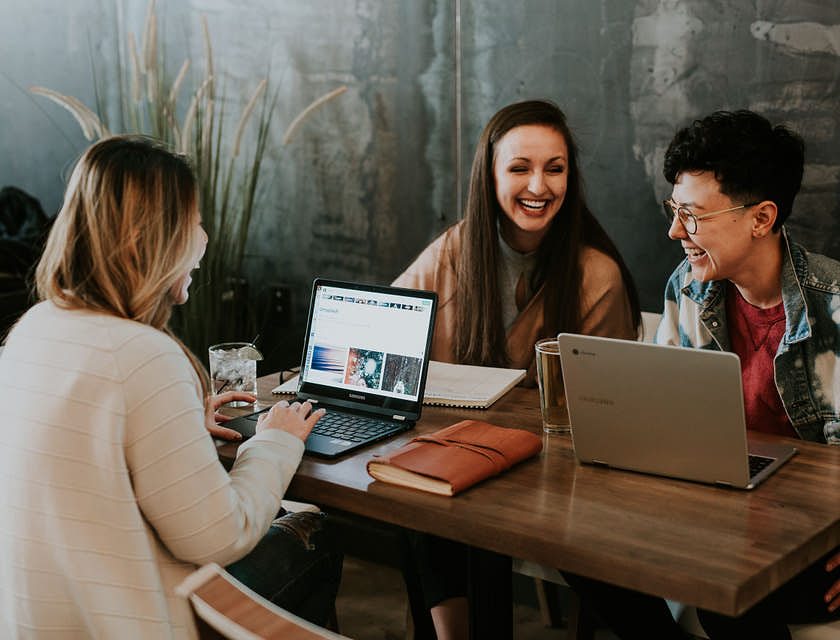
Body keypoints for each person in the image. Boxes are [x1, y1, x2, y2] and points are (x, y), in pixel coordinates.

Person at [0, 136, 341, 639]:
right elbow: (218, 537)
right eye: (194, 221)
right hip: (127, 623)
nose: (203, 237)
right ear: (147, 238)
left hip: (40, 620)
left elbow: (80, 458)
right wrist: (277, 440)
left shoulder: (33, 327)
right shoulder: (144, 355)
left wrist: (177, 421)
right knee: (315, 534)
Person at [565, 110, 840, 639]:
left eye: (692, 215)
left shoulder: (833, 308)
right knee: (575, 546)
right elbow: (663, 421)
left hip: (804, 541)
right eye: (674, 210)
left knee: (722, 583)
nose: (674, 231)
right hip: (712, 515)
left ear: (760, 219)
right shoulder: (687, 289)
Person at [393, 99, 641, 640]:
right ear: (490, 175)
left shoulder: (595, 275)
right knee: (417, 494)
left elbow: (607, 411)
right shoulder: (458, 247)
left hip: (554, 479)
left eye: (555, 169)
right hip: (460, 459)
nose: (539, 185)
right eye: (520, 167)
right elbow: (392, 323)